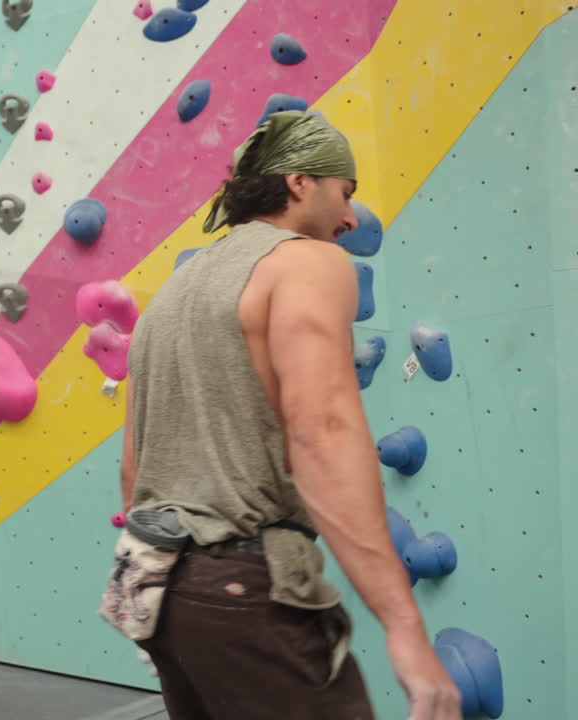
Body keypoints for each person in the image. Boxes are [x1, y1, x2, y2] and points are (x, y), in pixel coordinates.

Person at [118, 110, 461, 719]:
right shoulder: (306, 262)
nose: (350, 217)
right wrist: (405, 626)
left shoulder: (172, 295)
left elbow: (134, 470)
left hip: (159, 589)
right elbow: (321, 433)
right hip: (246, 590)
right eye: (345, 192)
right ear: (300, 182)